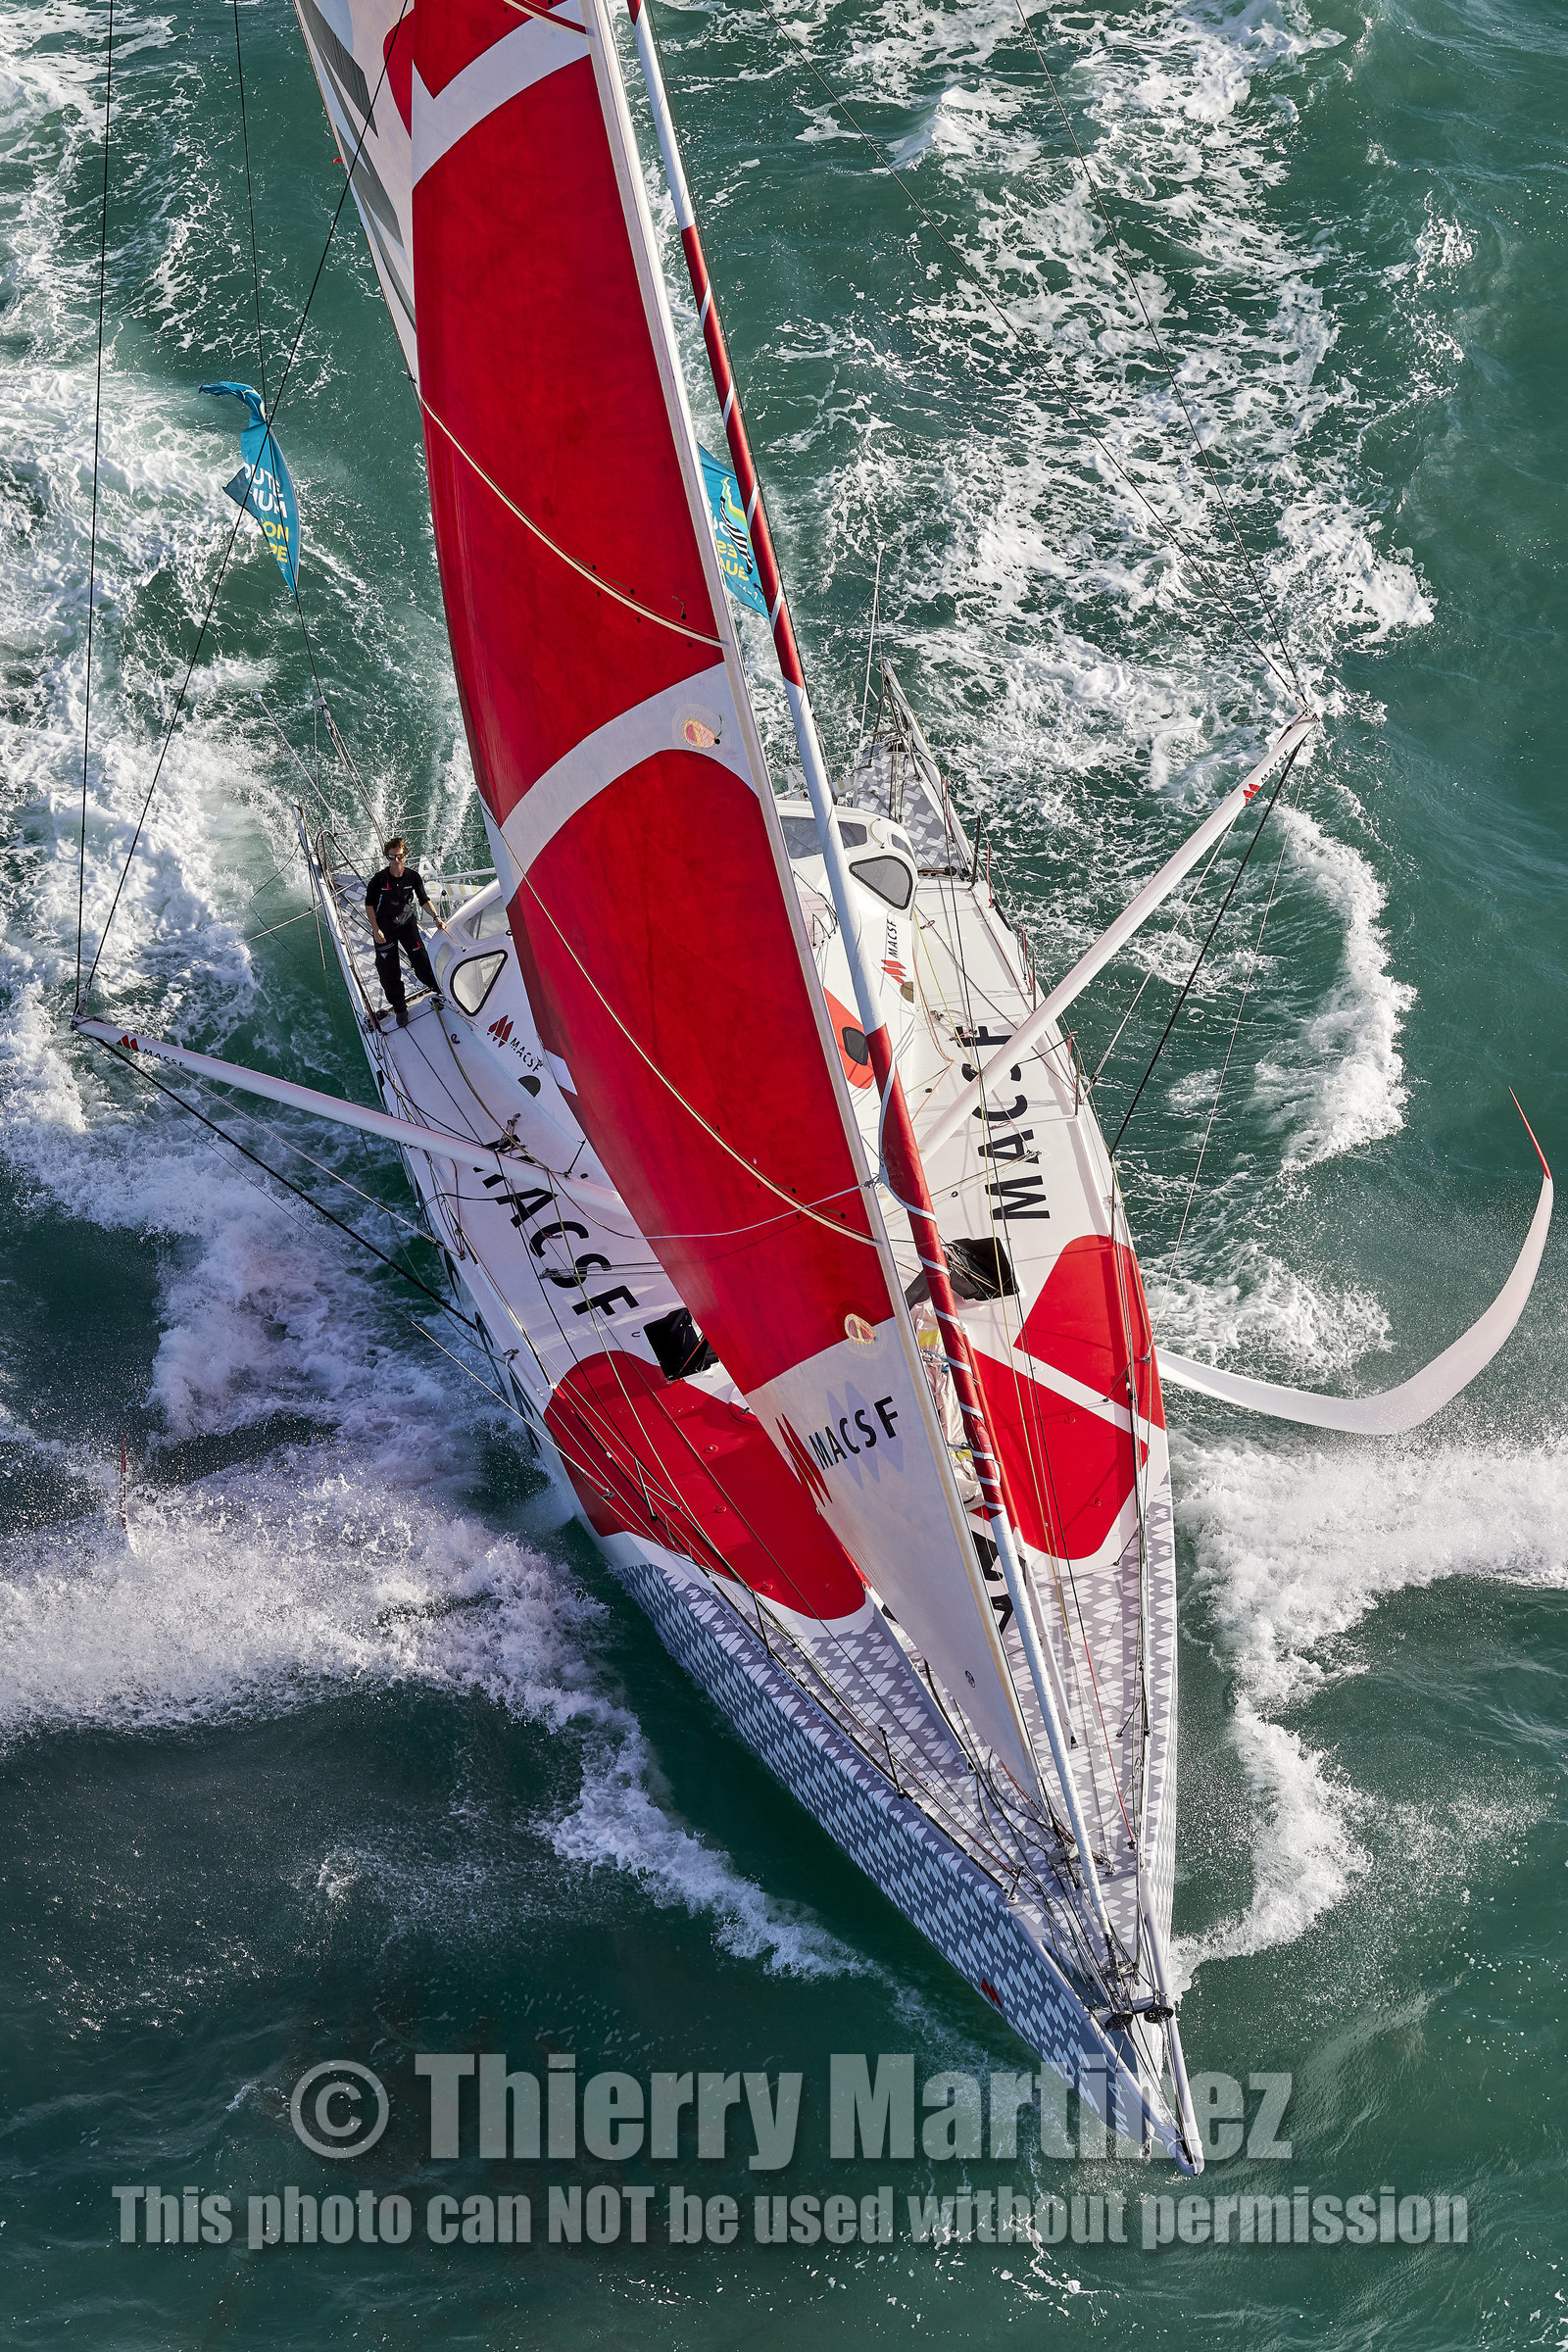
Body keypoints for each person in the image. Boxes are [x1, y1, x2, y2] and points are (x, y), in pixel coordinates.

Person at [365, 837, 446, 1027]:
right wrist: (375, 929)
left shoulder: (413, 877)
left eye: (399, 856)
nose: (396, 860)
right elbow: (369, 905)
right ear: (387, 857)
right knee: (389, 972)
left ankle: (438, 989)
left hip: (407, 923)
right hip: (385, 929)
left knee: (422, 961)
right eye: (392, 857)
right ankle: (400, 1009)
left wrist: (435, 917)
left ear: (405, 855)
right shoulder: (378, 880)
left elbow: (423, 900)